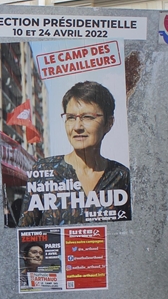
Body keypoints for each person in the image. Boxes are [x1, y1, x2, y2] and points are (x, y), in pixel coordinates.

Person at [18, 81, 130, 226]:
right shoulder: (44, 172)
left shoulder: (121, 176)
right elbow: (25, 234)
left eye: (88, 117)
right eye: (70, 117)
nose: (77, 127)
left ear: (109, 123)